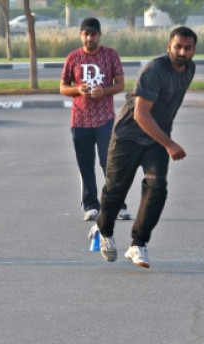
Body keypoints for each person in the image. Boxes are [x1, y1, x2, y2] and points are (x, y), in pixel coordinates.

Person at [92, 26, 198, 269]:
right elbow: (140, 114)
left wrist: (164, 140)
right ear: (168, 47)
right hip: (128, 136)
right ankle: (104, 231)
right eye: (177, 46)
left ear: (194, 50)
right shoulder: (154, 70)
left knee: (157, 187)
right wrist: (169, 143)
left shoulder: (189, 69)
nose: (182, 52)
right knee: (116, 189)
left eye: (187, 48)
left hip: (156, 139)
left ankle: (138, 243)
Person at [60, 17, 131, 222]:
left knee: (110, 163)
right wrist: (77, 89)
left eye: (93, 34)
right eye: (85, 34)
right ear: (81, 35)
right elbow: (63, 87)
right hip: (80, 120)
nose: (89, 37)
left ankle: (117, 205)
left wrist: (104, 91)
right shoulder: (73, 58)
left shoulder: (110, 55)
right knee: (85, 165)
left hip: (105, 119)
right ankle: (91, 205)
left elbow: (120, 84)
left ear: (99, 35)